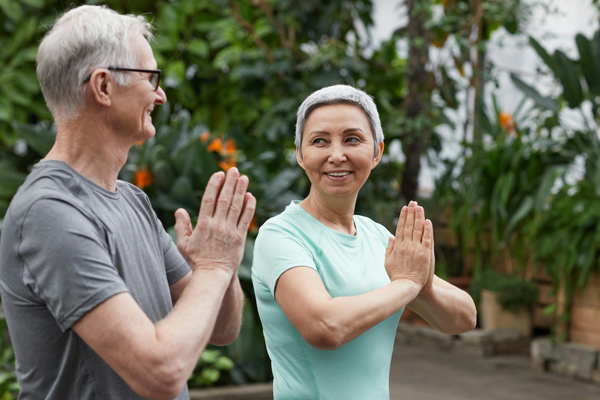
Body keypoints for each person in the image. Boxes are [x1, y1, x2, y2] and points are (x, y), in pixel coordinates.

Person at [0, 5, 255, 400]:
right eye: (151, 77)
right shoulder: (48, 212)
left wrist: (220, 263)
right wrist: (216, 266)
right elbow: (161, 372)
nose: (161, 94)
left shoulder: (132, 200)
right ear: (103, 87)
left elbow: (223, 330)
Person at [251, 85, 477, 400]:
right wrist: (407, 284)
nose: (336, 155)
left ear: (377, 152)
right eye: (319, 141)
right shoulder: (281, 235)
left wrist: (423, 287)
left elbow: (464, 318)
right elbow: (325, 327)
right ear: (301, 156)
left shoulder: (376, 237)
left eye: (352, 139)